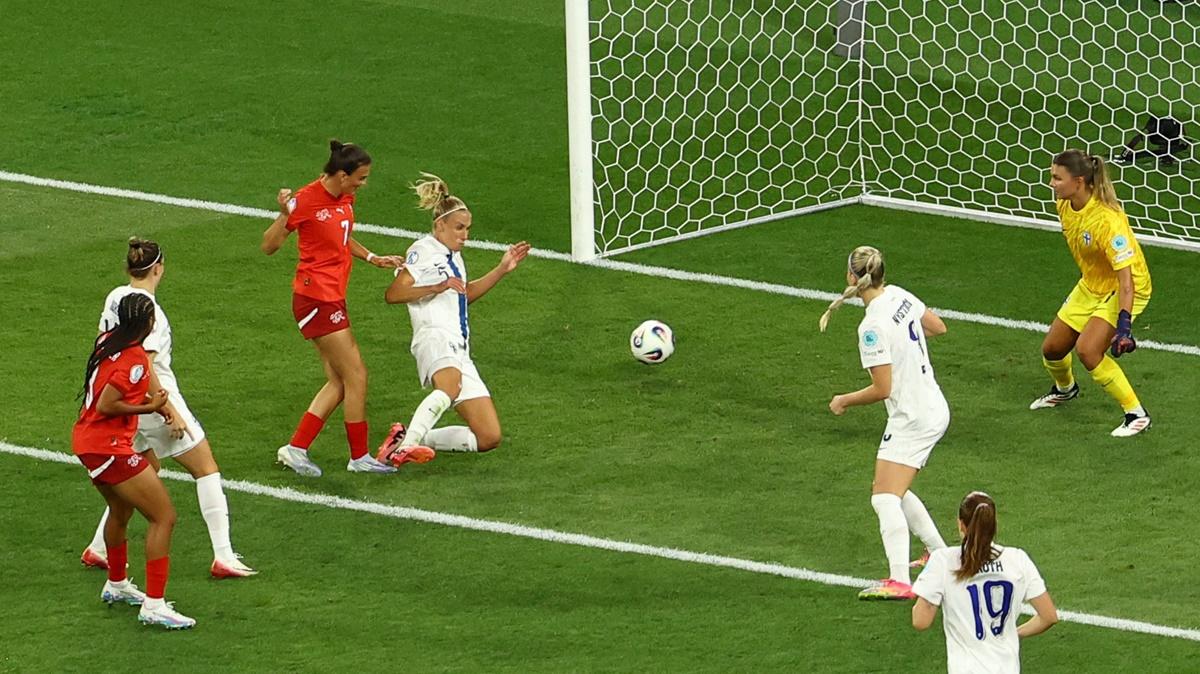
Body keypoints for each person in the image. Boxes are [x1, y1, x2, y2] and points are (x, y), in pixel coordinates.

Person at [80, 238, 255, 578]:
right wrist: (168, 411)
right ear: (158, 268)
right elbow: (142, 366)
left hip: (127, 399)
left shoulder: (116, 296)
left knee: (143, 471)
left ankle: (99, 549)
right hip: (152, 399)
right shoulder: (151, 314)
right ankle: (224, 555)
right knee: (205, 467)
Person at [262, 140, 429, 476]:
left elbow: (340, 235)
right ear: (341, 174)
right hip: (315, 298)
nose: (363, 184)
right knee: (356, 375)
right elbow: (269, 246)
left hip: (331, 296)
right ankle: (359, 457)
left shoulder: (344, 196)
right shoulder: (305, 200)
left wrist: (371, 257)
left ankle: (295, 449)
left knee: (339, 381)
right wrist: (284, 214)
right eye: (360, 178)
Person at [821, 246, 950, 600]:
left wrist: (843, 400)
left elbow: (882, 388)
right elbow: (938, 327)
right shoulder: (899, 295)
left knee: (883, 497)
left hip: (913, 417)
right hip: (933, 404)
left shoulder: (871, 327)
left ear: (852, 277)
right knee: (897, 488)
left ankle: (899, 582)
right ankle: (939, 554)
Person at [376, 173, 530, 463]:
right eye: (459, 228)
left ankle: (408, 436)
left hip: (460, 348)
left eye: (468, 229)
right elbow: (394, 293)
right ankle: (404, 449)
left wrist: (501, 269)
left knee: (488, 436)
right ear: (440, 225)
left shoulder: (454, 257)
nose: (465, 235)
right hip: (434, 337)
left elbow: (464, 295)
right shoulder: (424, 250)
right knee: (448, 388)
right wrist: (436, 286)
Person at [73, 293, 196, 629]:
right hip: (108, 446)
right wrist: (151, 406)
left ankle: (116, 584)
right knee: (164, 516)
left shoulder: (108, 341)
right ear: (147, 323)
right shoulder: (134, 358)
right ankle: (154, 605)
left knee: (121, 510)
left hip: (91, 442)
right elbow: (108, 404)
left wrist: (150, 402)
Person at [1030, 150, 1153, 437]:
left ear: (1080, 181)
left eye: (1057, 178)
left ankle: (1136, 413)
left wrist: (1124, 326)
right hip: (1092, 283)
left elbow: (1126, 280)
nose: (1051, 183)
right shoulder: (1064, 203)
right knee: (1053, 349)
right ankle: (1066, 389)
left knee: (1088, 350)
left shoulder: (1108, 221)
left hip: (1125, 287)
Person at [912, 491, 1058, 673]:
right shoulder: (1018, 559)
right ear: (993, 525)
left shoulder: (943, 561)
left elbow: (920, 621)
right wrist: (1013, 633)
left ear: (961, 524)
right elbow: (1049, 616)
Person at [1113, 115, 1189, 167]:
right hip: (1167, 135)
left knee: (1141, 135)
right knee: (1176, 141)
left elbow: (1140, 136)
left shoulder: (1157, 120)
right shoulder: (1174, 122)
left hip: (1160, 135)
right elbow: (1182, 131)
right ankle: (1168, 156)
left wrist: (1124, 154)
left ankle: (1124, 155)